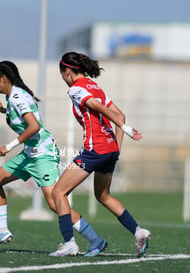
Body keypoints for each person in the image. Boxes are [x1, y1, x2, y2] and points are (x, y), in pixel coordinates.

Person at [0, 60, 107, 257]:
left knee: (56, 203)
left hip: (43, 155)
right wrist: (3, 110)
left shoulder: (17, 97)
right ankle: (2, 231)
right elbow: (23, 117)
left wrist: (9, 146)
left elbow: (34, 127)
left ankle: (94, 240)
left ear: (4, 79)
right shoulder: (14, 96)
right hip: (30, 154)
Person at [49, 51, 151, 257]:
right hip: (110, 149)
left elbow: (97, 106)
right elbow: (118, 113)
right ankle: (138, 232)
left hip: (95, 149)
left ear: (68, 71)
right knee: (103, 195)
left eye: (62, 74)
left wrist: (125, 127)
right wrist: (116, 148)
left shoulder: (76, 89)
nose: (63, 78)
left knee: (58, 193)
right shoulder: (96, 87)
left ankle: (69, 242)